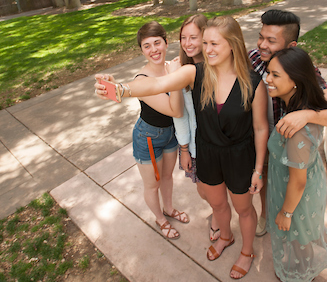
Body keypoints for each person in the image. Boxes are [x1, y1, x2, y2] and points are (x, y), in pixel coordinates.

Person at [95, 16, 268, 279]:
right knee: (218, 206)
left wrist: (257, 169)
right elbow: (156, 84)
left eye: (214, 44)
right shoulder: (195, 73)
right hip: (208, 153)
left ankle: (246, 252)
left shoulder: (253, 83)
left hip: (240, 157)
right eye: (205, 42)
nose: (207, 49)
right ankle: (225, 237)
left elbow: (260, 128)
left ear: (233, 45)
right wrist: (120, 88)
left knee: (243, 209)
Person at [248, 9, 327, 237]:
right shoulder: (254, 58)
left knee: (294, 189)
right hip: (264, 138)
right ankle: (266, 215)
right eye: (261, 36)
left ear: (291, 46)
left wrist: (308, 115)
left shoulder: (306, 74)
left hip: (293, 146)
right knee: (265, 178)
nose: (262, 45)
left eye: (271, 41)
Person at [265, 47, 327, 282]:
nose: (268, 79)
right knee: (309, 229)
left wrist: (286, 213)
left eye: (275, 75)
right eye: (269, 72)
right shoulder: (298, 105)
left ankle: (303, 274)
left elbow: (298, 182)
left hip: (297, 192)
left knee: (303, 233)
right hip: (299, 186)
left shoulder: (298, 127)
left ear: (296, 80)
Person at [121, 21, 189, 240]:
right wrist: (177, 78)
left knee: (167, 176)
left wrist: (175, 72)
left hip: (170, 135)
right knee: (153, 184)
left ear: (166, 42)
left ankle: (169, 209)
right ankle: (160, 219)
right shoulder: (141, 81)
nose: (153, 50)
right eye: (147, 46)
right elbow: (175, 111)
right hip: (149, 137)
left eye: (157, 43)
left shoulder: (172, 67)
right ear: (142, 51)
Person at [169, 14, 222, 242]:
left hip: (220, 145)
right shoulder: (182, 70)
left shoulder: (219, 67)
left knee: (217, 191)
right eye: (183, 38)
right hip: (196, 146)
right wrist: (183, 149)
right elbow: (180, 115)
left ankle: (220, 218)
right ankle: (219, 209)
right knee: (202, 191)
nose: (188, 43)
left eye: (193, 37)